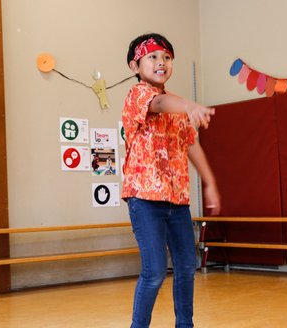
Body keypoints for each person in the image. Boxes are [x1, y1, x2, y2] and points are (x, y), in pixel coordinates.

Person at [122, 33, 221, 328]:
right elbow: (160, 103)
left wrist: (210, 182)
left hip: (177, 201)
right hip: (144, 199)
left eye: (166, 57)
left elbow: (192, 145)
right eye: (152, 57)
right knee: (153, 272)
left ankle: (185, 324)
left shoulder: (179, 109)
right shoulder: (138, 94)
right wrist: (189, 105)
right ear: (134, 66)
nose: (160, 62)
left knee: (187, 267)